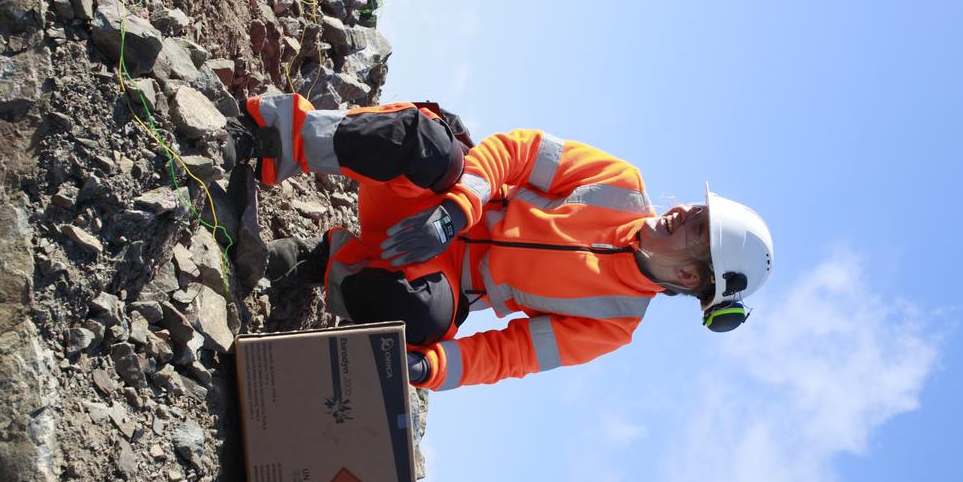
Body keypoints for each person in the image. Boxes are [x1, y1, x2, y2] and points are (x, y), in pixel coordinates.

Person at [231, 93, 774, 390]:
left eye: (696, 228)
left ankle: (329, 264)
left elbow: (511, 354)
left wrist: (435, 368)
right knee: (431, 144)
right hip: (423, 204)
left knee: (421, 322)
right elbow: (519, 149)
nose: (682, 212)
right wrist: (454, 212)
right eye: (696, 209)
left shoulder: (615, 323)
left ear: (688, 277)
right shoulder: (622, 184)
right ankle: (272, 137)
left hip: (426, 272)